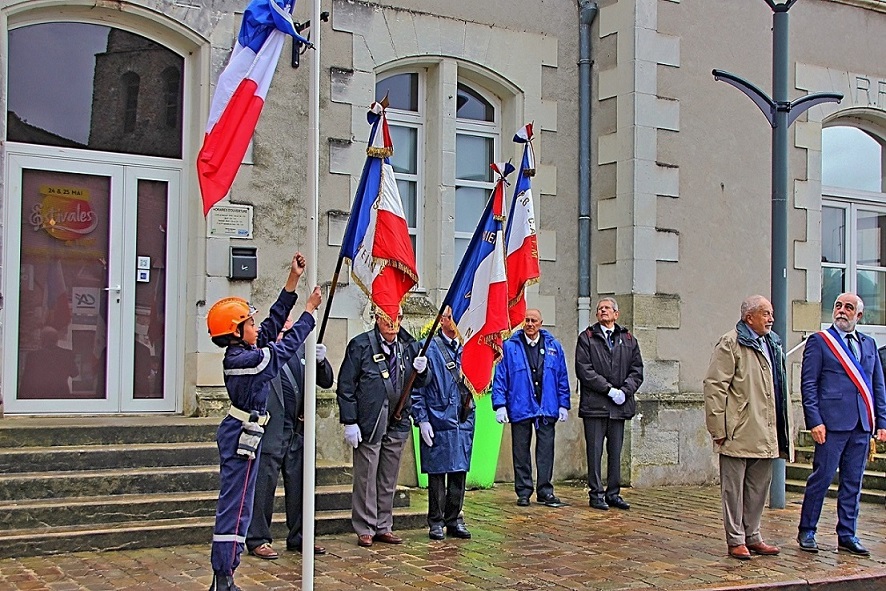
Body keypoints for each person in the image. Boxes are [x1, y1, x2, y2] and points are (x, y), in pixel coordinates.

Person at [205, 252, 321, 591]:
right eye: (249, 324)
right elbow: (280, 351)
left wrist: (293, 281)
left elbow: (271, 325)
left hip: (248, 433)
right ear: (237, 332)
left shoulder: (245, 349)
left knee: (238, 506)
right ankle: (223, 577)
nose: (257, 328)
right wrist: (309, 313)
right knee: (236, 508)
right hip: (241, 434)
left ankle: (224, 575)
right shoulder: (243, 361)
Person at [797, 292, 886, 556]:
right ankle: (807, 530)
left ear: (859, 315)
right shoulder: (821, 342)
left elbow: (877, 386)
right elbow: (809, 385)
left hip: (861, 424)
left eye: (849, 308)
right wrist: (814, 420)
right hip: (831, 424)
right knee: (821, 478)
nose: (841, 311)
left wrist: (881, 422)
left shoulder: (869, 344)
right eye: (838, 306)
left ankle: (847, 534)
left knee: (853, 482)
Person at [703, 295, 791, 560]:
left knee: (758, 487)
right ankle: (736, 539)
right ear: (748, 317)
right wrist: (718, 428)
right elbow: (714, 386)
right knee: (734, 489)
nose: (771, 319)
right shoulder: (731, 342)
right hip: (737, 429)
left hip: (766, 430)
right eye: (765, 314)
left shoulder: (772, 343)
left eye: (771, 313)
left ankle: (753, 535)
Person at [337, 307, 428, 547]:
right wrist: (350, 421)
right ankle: (365, 526)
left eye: (397, 317)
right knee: (366, 476)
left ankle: (383, 525)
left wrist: (423, 369)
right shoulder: (361, 345)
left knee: (388, 477)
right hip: (370, 420)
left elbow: (421, 383)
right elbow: (346, 386)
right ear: (377, 318)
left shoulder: (409, 347)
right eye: (387, 317)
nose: (392, 323)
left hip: (398, 420)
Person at [245, 317, 334, 559]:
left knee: (301, 488)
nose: (286, 334)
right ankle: (258, 539)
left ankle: (301, 537)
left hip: (297, 430)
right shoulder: (261, 355)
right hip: (271, 429)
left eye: (289, 330)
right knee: (264, 488)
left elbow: (326, 381)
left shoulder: (301, 352)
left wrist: (321, 361)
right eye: (282, 329)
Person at [492, 308, 571, 507]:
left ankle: (545, 491)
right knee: (520, 451)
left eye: (533, 320)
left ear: (540, 323)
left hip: (546, 408)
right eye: (526, 320)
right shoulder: (510, 347)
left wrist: (563, 404)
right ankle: (523, 491)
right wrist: (500, 405)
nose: (529, 324)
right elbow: (501, 377)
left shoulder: (554, 347)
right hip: (520, 405)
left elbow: (562, 377)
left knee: (545, 451)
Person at [411, 307, 474, 540]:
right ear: (443, 321)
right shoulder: (429, 348)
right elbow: (417, 389)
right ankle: (435, 521)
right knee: (437, 473)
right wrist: (422, 419)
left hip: (462, 417)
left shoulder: (468, 347)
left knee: (459, 471)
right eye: (452, 317)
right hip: (438, 417)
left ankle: (454, 518)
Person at [575, 297, 643, 511]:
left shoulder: (628, 339)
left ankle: (613, 493)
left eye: (607, 308)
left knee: (615, 451)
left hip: (618, 407)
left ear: (616, 314)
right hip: (595, 406)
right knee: (595, 453)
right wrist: (608, 389)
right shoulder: (587, 337)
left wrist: (625, 391)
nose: (603, 311)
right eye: (600, 309)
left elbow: (637, 370)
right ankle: (596, 493)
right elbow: (584, 370)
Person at [19, 326, 79, 398]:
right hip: (61, 395)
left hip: (40, 396)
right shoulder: (67, 355)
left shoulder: (33, 356)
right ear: (56, 340)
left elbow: (26, 381)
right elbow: (75, 373)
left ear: (42, 340)